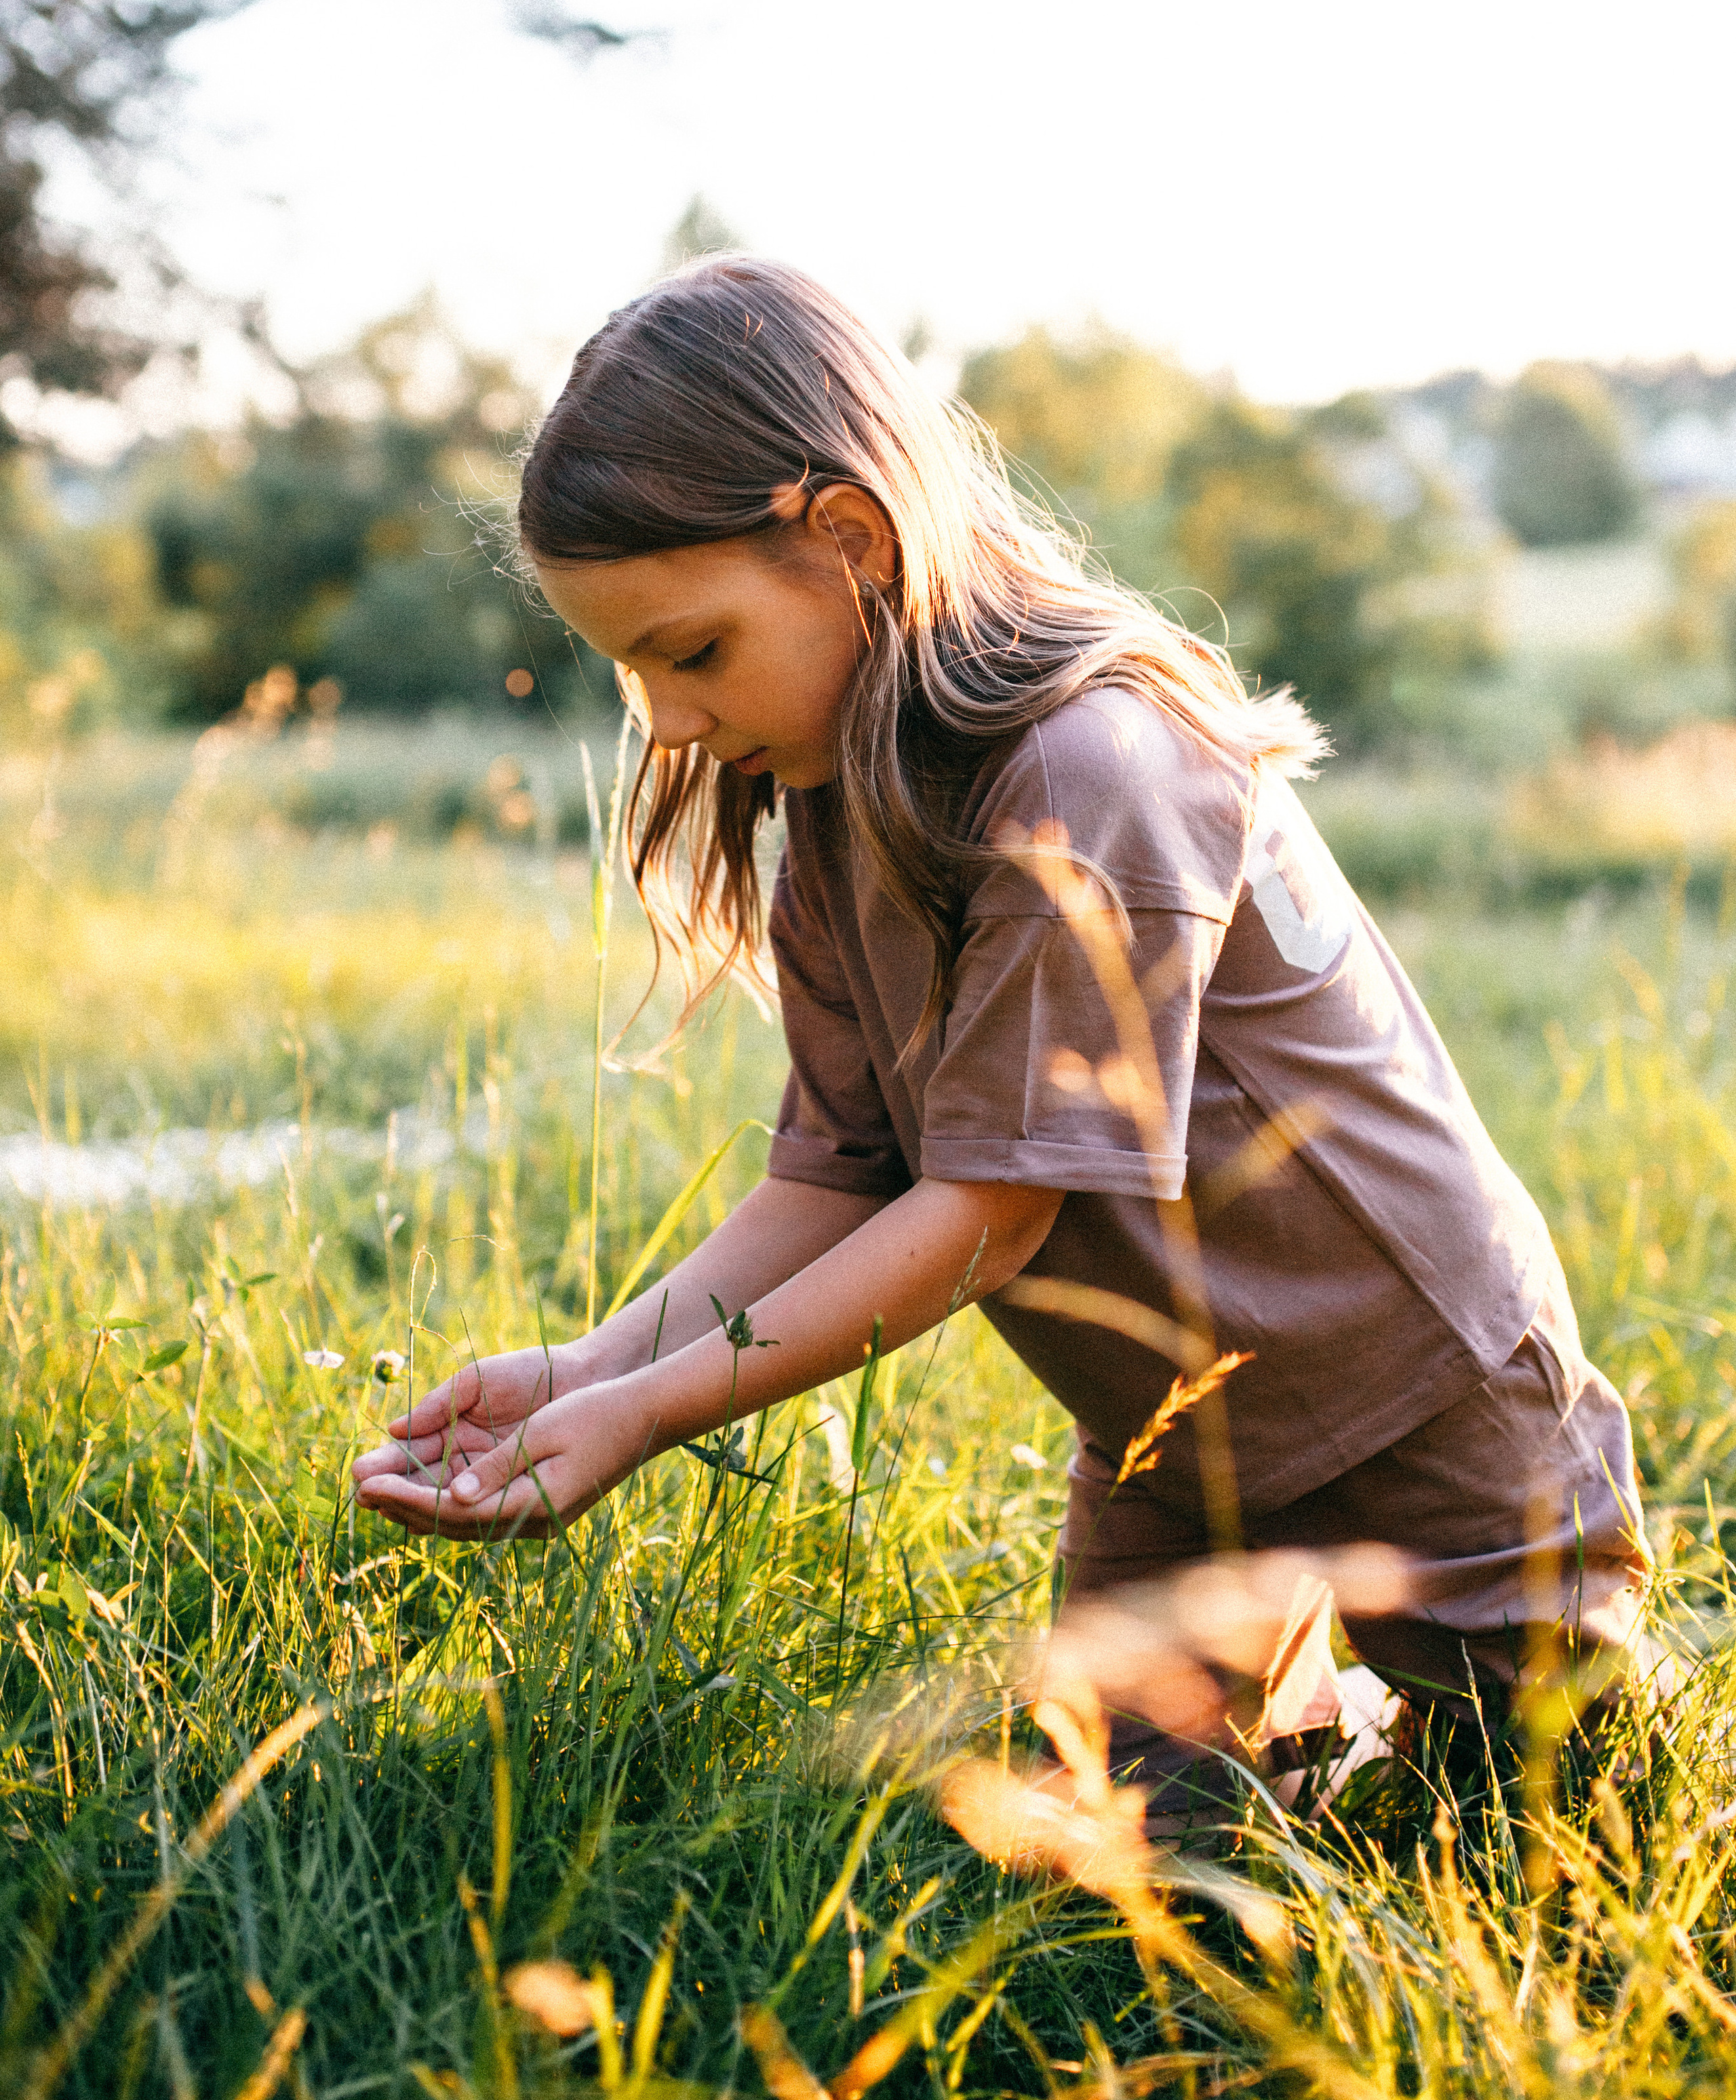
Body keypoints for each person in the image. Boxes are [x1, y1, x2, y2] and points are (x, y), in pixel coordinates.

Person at [351, 256, 1650, 1791]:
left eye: (691, 651)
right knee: (1134, 1846)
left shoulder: (1087, 771)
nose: (674, 722)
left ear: (852, 541)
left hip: (1422, 1393)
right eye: (632, 674)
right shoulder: (832, 808)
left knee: (1546, 1816)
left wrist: (649, 1415)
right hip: (1175, 1439)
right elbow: (832, 1185)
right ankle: (1316, 1743)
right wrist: (584, 1372)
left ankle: (1396, 1730)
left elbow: (991, 1216)